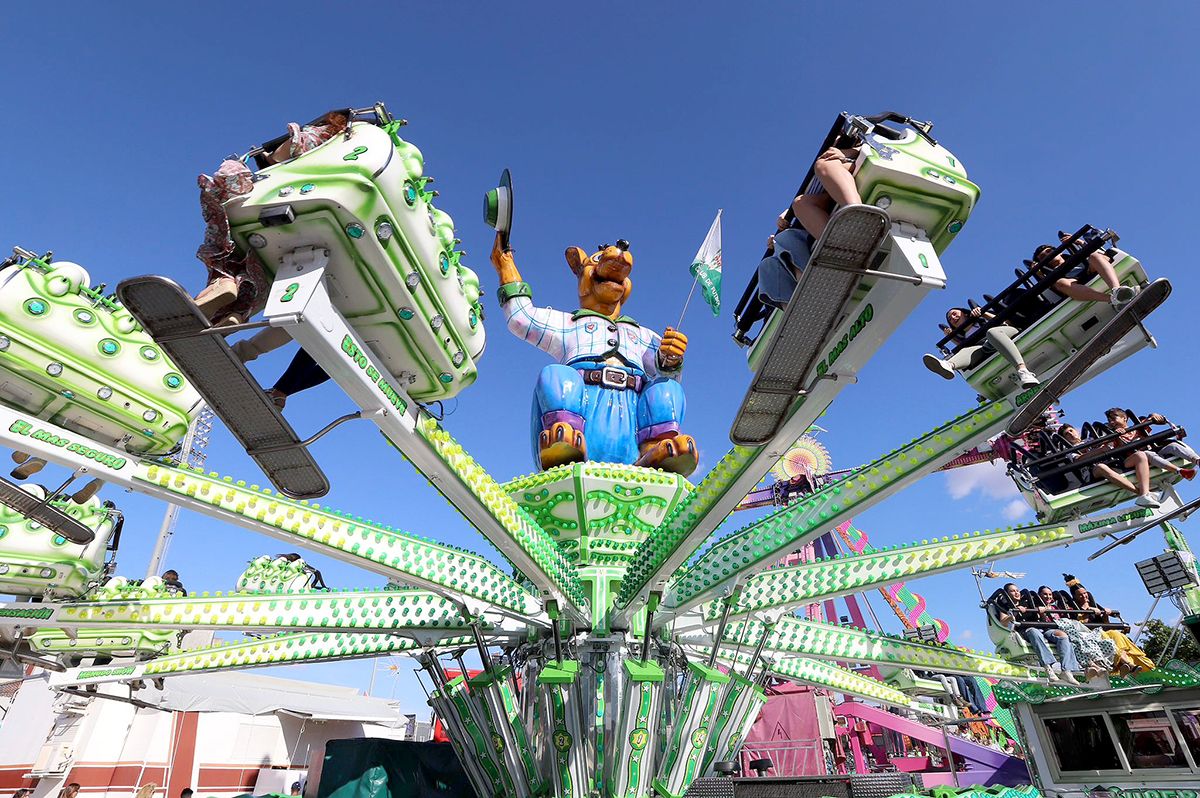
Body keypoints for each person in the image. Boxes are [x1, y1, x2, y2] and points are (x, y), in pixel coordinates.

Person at [194, 112, 349, 326]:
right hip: (319, 217)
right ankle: (236, 314)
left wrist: (269, 156)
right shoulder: (344, 152)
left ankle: (223, 281)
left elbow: (285, 153)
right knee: (263, 273)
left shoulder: (319, 136)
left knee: (224, 236)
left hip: (278, 200)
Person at [923, 306, 1039, 388]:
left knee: (991, 333)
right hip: (986, 347)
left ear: (964, 313)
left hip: (1003, 333)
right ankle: (948, 364)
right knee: (966, 349)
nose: (952, 318)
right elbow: (965, 350)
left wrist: (982, 312)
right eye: (949, 319)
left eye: (954, 314)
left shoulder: (980, 320)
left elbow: (1003, 321)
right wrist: (953, 337)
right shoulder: (965, 337)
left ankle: (1023, 371)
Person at [1059, 424, 1164, 508]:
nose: (1071, 434)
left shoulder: (1090, 439)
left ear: (1075, 430)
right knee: (1101, 467)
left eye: (1071, 431)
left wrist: (1117, 432)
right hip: (1092, 471)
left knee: (1139, 455)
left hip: (1113, 463)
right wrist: (1099, 450)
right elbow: (1078, 459)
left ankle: (1145, 493)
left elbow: (1108, 438)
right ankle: (1141, 493)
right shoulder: (1069, 450)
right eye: (1067, 434)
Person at [994, 582, 1080, 684]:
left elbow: (1042, 614)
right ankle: (1048, 667)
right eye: (1012, 591)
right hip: (1025, 630)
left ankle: (1066, 670)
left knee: (1063, 636)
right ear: (1007, 594)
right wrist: (1014, 613)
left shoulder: (1027, 601)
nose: (1016, 593)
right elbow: (1003, 622)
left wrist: (1041, 611)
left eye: (1017, 590)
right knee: (1034, 631)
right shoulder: (1004, 606)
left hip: (1042, 628)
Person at [1068, 583, 1154, 675]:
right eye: (1080, 595)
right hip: (1089, 635)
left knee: (1115, 634)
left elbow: (1106, 625)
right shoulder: (1074, 609)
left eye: (1085, 593)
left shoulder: (1095, 605)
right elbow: (1081, 626)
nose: (1084, 596)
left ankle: (1126, 665)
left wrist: (1105, 615)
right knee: (1106, 637)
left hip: (1103, 632)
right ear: (1075, 597)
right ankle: (1129, 665)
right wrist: (1088, 612)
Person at [1031, 234, 1136, 307]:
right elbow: (1052, 288)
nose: (1047, 255)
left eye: (1049, 251)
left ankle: (1117, 290)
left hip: (1089, 269)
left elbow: (1098, 254)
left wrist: (1079, 241)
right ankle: (1112, 299)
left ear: (1058, 251)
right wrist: (1039, 274)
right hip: (1073, 282)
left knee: (1095, 256)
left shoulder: (1075, 253)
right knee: (1060, 283)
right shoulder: (1050, 274)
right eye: (1043, 256)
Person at [788, 145, 864, 240]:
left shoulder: (850, 133)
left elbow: (876, 141)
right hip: (827, 190)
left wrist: (848, 152)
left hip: (855, 163)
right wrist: (790, 214)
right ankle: (838, 244)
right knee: (799, 203)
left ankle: (858, 214)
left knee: (823, 164)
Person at [1104, 408, 1200, 471]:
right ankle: (1179, 471)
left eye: (1113, 419)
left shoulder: (1138, 426)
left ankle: (1197, 460)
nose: (1111, 422)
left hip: (1155, 452)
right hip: (1139, 459)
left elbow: (1156, 420)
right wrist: (1117, 435)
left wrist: (1155, 415)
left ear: (1124, 418)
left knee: (1173, 446)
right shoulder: (1114, 437)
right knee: (1148, 454)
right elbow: (1119, 449)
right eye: (1109, 421)